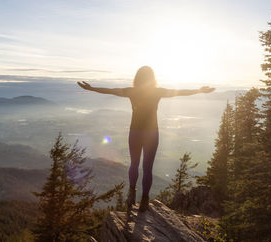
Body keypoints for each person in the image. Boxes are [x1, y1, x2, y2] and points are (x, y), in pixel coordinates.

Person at [77, 66, 215, 212]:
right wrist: (199, 91)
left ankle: (131, 192)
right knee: (147, 168)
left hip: (135, 132)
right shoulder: (157, 92)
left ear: (137, 78)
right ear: (152, 78)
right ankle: (144, 199)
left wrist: (91, 89)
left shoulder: (131, 91)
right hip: (152, 133)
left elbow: (111, 90)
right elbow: (180, 93)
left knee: (134, 164)